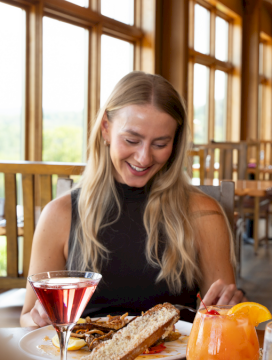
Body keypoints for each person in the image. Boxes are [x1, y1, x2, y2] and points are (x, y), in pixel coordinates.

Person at [21, 71, 244, 327]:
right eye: (131, 140)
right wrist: (38, 319)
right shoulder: (60, 214)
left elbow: (223, 317)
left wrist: (228, 311)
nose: (143, 158)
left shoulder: (202, 212)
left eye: (160, 144)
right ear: (106, 127)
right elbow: (27, 317)